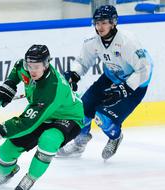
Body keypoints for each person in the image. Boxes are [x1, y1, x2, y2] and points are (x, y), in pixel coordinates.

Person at [0, 44, 84, 190]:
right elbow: (17, 68)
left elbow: (27, 123)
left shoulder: (51, 88)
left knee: (49, 140)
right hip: (44, 113)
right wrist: (9, 85)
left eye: (37, 66)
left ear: (46, 64)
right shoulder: (26, 66)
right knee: (7, 150)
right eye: (29, 65)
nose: (32, 70)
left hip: (68, 117)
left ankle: (31, 177)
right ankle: (5, 174)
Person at [57, 5, 153, 160]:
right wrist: (73, 74)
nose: (99, 27)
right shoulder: (92, 41)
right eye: (97, 23)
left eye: (104, 23)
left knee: (103, 119)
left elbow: (144, 69)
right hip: (110, 78)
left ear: (113, 22)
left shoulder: (128, 41)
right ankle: (79, 143)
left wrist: (125, 88)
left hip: (135, 86)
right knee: (80, 111)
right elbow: (82, 62)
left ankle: (115, 137)